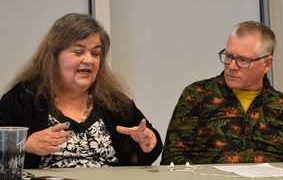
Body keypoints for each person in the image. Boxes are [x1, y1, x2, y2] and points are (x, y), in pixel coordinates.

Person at [0, 13, 163, 168]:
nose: (89, 60)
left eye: (96, 53)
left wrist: (148, 143)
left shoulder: (115, 103)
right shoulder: (23, 98)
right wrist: (26, 145)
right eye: (78, 52)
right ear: (54, 56)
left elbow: (141, 152)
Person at [161, 20, 283, 165]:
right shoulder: (198, 95)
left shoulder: (282, 106)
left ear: (267, 64)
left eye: (243, 59)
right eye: (228, 56)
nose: (232, 66)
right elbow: (172, 158)